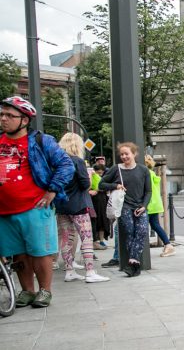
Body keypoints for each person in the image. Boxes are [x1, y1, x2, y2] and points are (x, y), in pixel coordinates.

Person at [0, 97, 74, 308]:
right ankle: (27, 291)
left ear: (24, 120)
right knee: (18, 252)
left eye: (9, 115)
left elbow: (66, 165)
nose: (3, 119)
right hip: (4, 211)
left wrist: (52, 190)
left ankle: (44, 291)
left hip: (34, 207)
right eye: (1, 114)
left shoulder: (41, 141)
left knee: (40, 251)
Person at [56, 132, 109, 284]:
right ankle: (90, 272)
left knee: (66, 238)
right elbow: (85, 184)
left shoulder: (57, 162)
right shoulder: (77, 161)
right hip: (78, 204)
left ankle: (69, 271)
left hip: (61, 205)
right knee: (86, 237)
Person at [98, 142, 151, 277]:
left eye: (126, 153)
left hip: (140, 206)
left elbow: (148, 191)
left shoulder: (143, 170)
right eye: (121, 154)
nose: (124, 156)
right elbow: (101, 184)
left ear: (134, 154)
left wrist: (144, 206)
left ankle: (133, 263)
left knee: (142, 231)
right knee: (129, 232)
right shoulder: (116, 169)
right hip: (124, 206)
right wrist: (116, 186)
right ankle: (134, 265)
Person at [144, 155, 175, 257]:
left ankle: (167, 245)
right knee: (155, 225)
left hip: (149, 204)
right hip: (155, 203)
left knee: (144, 226)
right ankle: (168, 245)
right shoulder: (152, 173)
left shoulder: (146, 174)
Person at [89, 162, 111, 249]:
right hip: (96, 201)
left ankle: (101, 240)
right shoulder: (93, 177)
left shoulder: (103, 178)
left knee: (102, 221)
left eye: (101, 173)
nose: (100, 174)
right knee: (97, 221)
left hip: (102, 201)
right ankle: (97, 241)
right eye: (99, 173)